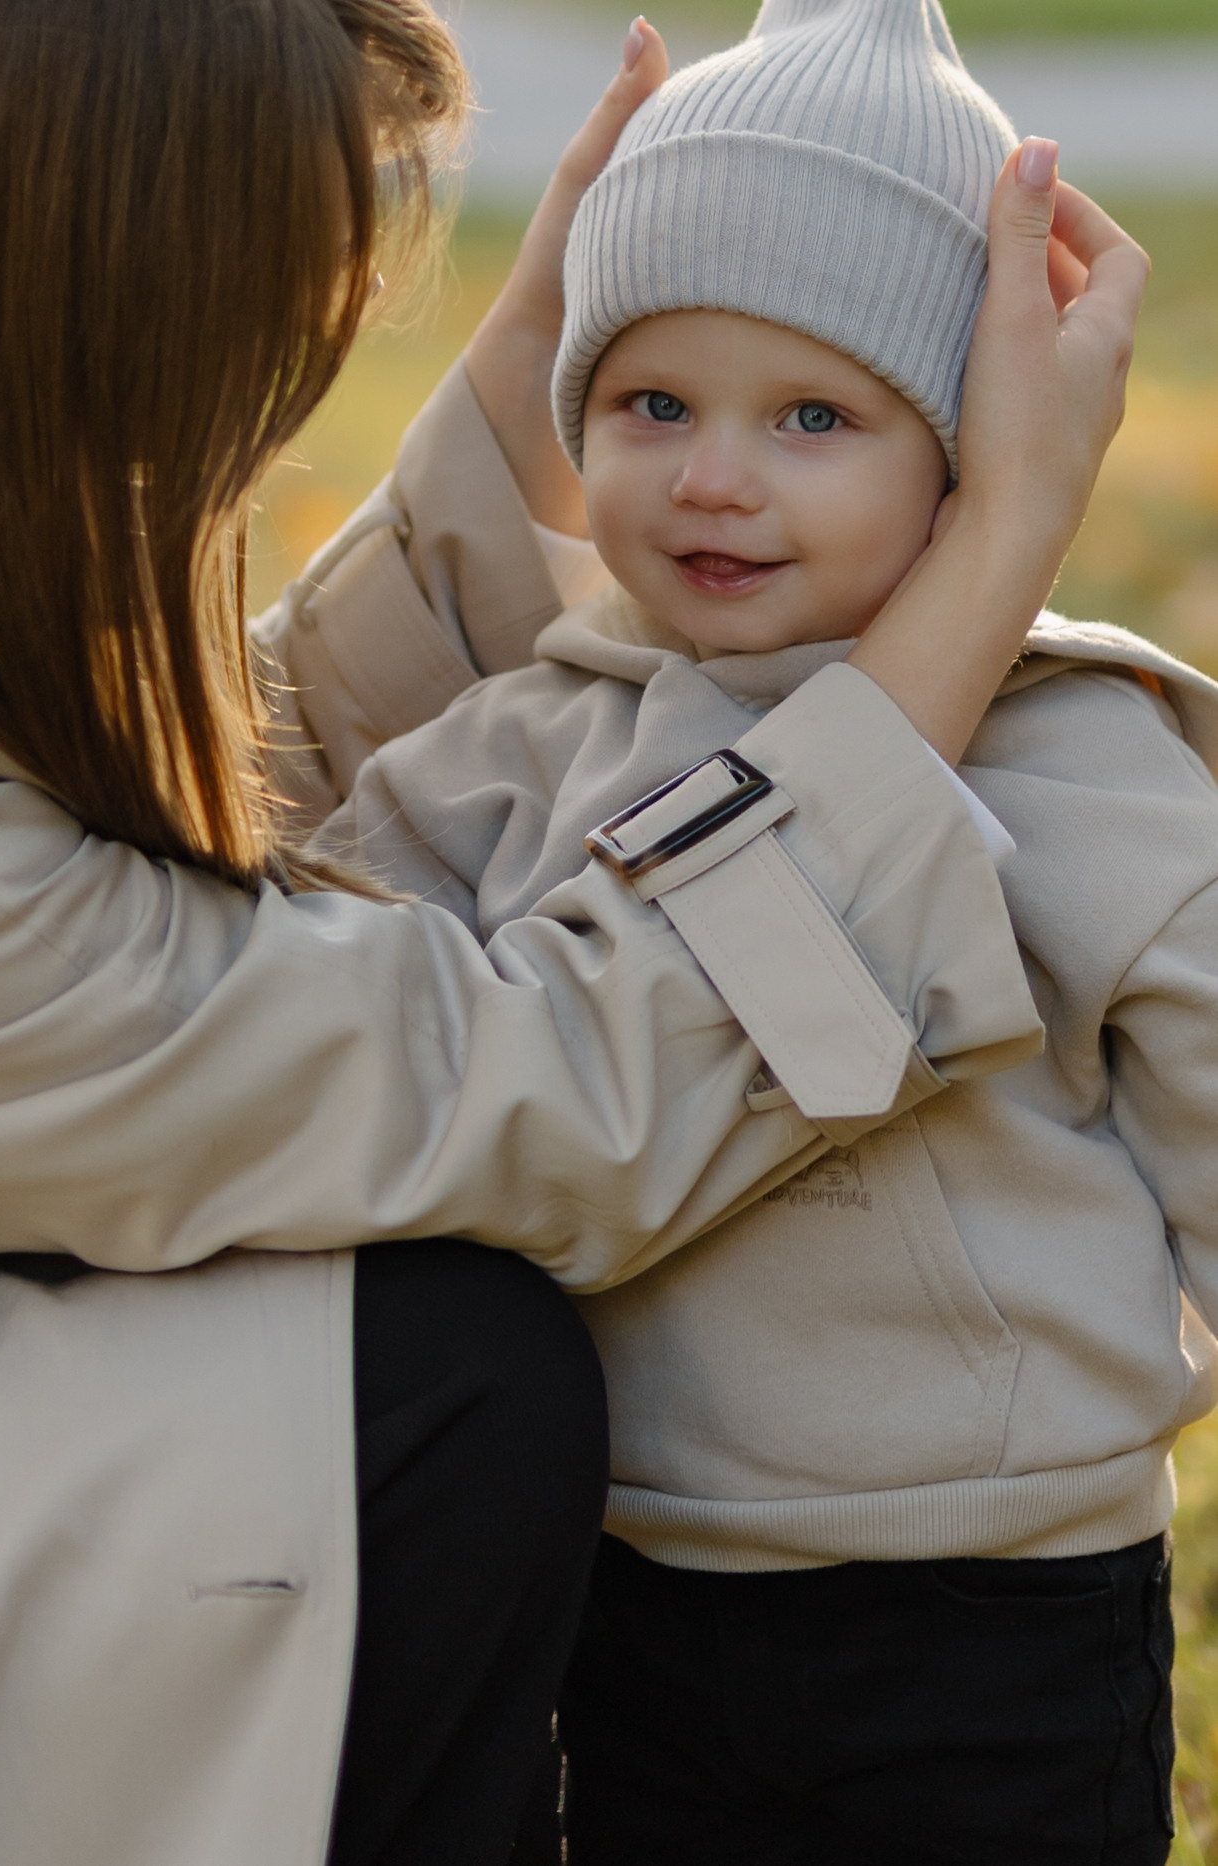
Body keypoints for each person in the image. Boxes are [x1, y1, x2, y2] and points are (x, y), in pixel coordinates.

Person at [0, 6, 1142, 1866]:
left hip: (992, 1654)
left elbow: (191, 844)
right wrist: (992, 545)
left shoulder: (1115, 778)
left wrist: (555, 377)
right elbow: (544, 1071)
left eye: (813, 413)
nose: (332, 328)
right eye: (286, 285)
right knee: (441, 1359)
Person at [292, 2, 1193, 1860]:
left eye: (813, 416)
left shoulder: (1083, 762)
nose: (715, 475)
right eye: (653, 404)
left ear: (973, 443)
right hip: (632, 1587)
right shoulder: (519, 743)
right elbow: (334, 987)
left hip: (997, 1613)